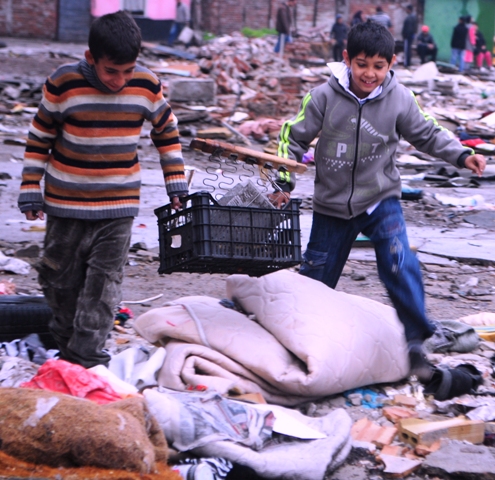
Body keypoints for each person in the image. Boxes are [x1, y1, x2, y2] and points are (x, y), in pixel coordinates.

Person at [274, 20, 486, 382]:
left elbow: (427, 132)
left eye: (378, 66)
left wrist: (461, 155)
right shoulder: (323, 96)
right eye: (361, 64)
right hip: (331, 205)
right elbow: (291, 138)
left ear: (391, 64)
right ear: (346, 60)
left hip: (381, 197)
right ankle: (300, 344)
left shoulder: (399, 98)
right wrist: (283, 181)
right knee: (314, 281)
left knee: (398, 260)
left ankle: (417, 340)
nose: (369, 74)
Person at [17, 11, 188, 368]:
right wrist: (30, 186)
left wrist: (176, 183)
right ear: (90, 58)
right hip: (66, 205)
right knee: (60, 281)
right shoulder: (62, 83)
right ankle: (67, 348)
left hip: (119, 204)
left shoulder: (147, 84)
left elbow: (166, 133)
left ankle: (87, 360)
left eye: (128, 71)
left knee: (104, 285)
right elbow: (39, 138)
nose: (120, 80)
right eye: (112, 71)